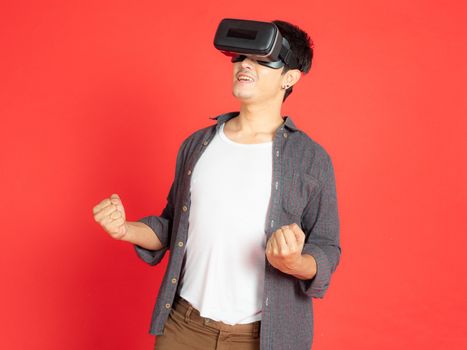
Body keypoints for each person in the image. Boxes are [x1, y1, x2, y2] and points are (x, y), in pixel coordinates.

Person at [93, 19, 341, 350]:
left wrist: (294, 263)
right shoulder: (197, 145)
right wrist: (125, 229)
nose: (244, 65)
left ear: (290, 77)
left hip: (262, 338)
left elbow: (327, 247)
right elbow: (173, 226)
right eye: (240, 57)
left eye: (261, 59)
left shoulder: (312, 159)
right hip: (182, 328)